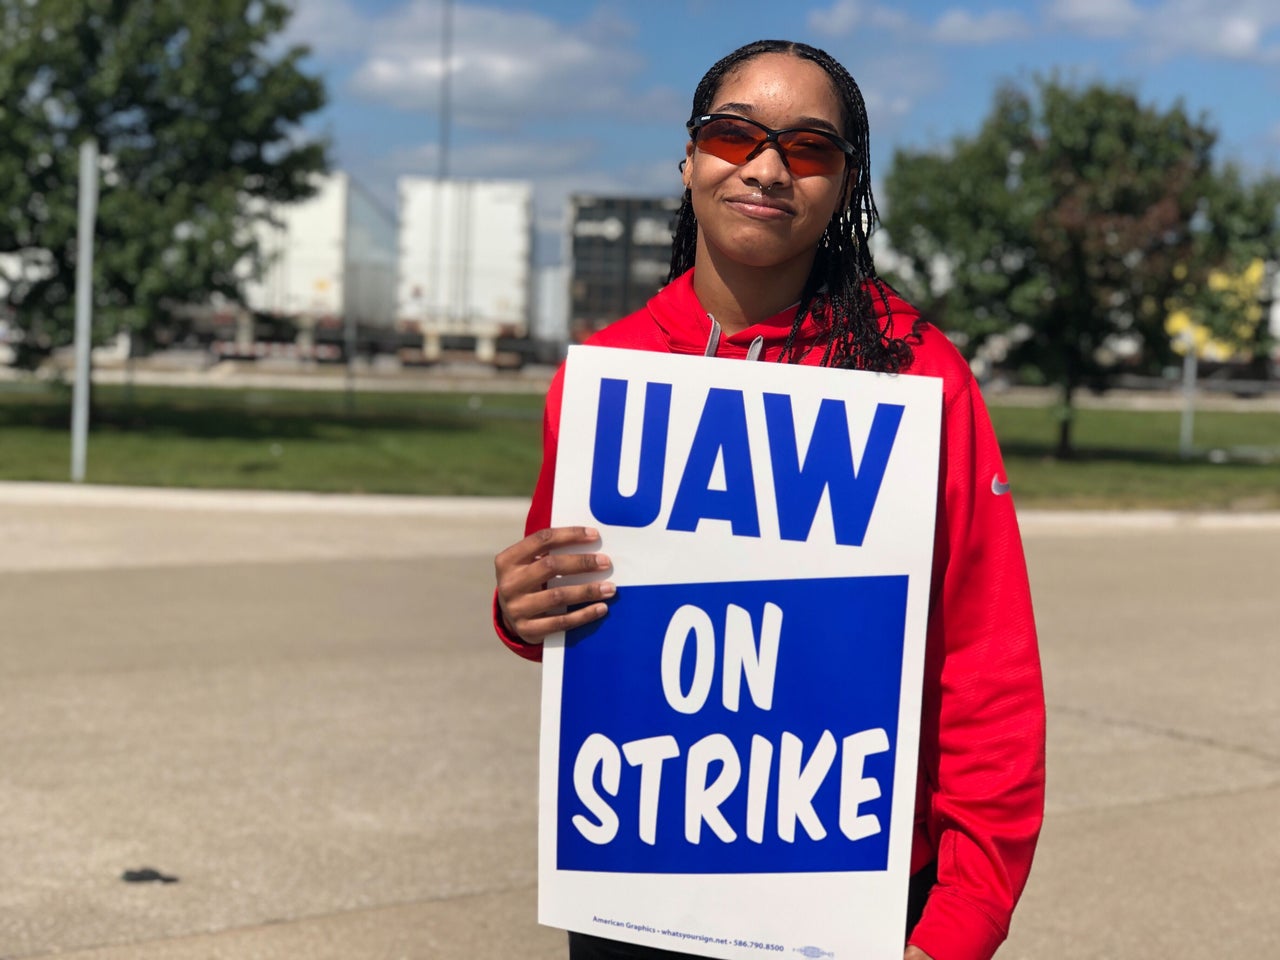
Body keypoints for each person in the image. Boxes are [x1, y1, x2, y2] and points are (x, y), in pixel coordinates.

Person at [492, 39, 1045, 960]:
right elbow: (569, 611)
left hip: (852, 905)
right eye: (733, 134)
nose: (766, 167)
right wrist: (521, 610)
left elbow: (986, 674)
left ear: (844, 184)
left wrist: (956, 928)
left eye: (810, 148)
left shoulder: (916, 375)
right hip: (638, 901)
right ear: (689, 159)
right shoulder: (611, 373)